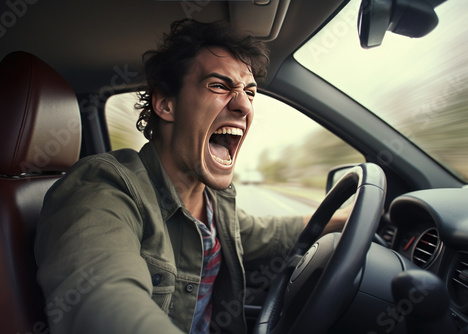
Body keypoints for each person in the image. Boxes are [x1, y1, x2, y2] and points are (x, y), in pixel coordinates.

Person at [35, 19, 346, 334]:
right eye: (219, 86)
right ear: (165, 104)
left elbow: (263, 234)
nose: (243, 105)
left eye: (250, 92)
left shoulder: (214, 199)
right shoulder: (103, 185)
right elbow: (101, 297)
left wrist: (343, 219)